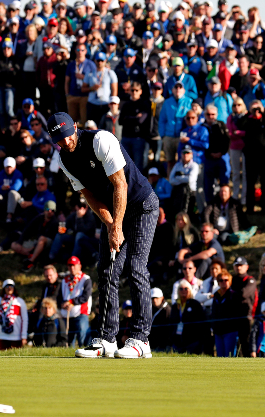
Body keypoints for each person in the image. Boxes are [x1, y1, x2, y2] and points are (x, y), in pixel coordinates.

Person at [47, 112, 159, 359]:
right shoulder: (64, 160)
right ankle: (107, 340)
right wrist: (110, 225)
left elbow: (120, 184)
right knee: (108, 269)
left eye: (67, 136)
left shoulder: (101, 141)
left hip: (142, 205)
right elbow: (90, 195)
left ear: (75, 127)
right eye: (59, 139)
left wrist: (117, 226)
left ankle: (141, 340)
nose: (65, 143)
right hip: (113, 211)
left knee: (135, 266)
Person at [57, 256, 93, 346]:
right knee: (68, 340)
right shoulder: (64, 281)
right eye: (70, 266)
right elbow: (59, 297)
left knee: (82, 338)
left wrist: (71, 302)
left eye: (74, 265)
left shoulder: (86, 279)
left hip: (81, 313)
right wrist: (62, 304)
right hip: (67, 314)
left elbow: (85, 296)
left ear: (79, 266)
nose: (72, 268)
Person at [0, 279, 29, 350]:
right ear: (4, 289)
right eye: (7, 286)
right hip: (2, 335)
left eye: (11, 286)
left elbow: (25, 319)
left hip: (16, 335)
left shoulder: (19, 301)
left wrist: (24, 336)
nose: (9, 288)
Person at [169, 279, 207, 354]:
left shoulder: (195, 304)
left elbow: (202, 322)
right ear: (178, 291)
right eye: (181, 289)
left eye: (186, 288)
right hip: (177, 342)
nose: (183, 290)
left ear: (190, 290)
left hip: (193, 342)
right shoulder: (175, 305)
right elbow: (171, 323)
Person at [0, 157, 24, 224]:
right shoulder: (0, 174)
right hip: (3, 198)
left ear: (14, 167)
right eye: (7, 167)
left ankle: (9, 217)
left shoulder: (18, 174)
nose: (8, 169)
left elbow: (15, 188)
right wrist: (0, 187)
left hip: (17, 200)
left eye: (10, 167)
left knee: (12, 193)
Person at [149, 287, 172, 352]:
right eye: (152, 298)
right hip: (152, 344)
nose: (154, 300)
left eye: (157, 298)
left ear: (162, 298)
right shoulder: (151, 309)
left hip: (163, 345)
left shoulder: (167, 310)